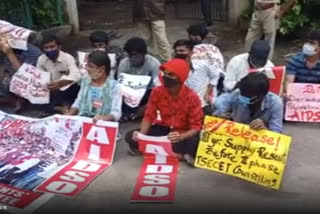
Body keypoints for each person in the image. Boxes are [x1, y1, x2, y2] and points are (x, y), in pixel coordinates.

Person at [125, 59, 204, 165]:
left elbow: (195, 127)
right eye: (165, 73)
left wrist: (181, 136)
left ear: (181, 77)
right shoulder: (157, 91)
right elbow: (148, 116)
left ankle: (156, 150)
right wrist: (141, 136)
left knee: (195, 144)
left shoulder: (192, 97)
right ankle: (179, 155)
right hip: (163, 130)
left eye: (171, 74)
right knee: (130, 136)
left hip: (183, 133)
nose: (166, 77)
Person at [214, 72, 283, 133]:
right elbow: (220, 109)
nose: (243, 99)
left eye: (248, 97)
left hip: (259, 140)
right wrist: (220, 116)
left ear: (262, 96)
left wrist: (264, 129)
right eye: (242, 95)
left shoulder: (275, 103)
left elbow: (276, 132)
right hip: (236, 134)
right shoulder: (236, 94)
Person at [66, 51, 122, 122]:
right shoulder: (85, 80)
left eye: (90, 66)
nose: (87, 69)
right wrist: (70, 113)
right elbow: (78, 102)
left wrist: (103, 118)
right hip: (82, 122)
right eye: (87, 65)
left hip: (103, 126)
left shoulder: (114, 86)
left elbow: (116, 113)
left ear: (102, 70)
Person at [36, 33, 81, 114]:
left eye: (52, 47)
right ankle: (60, 108)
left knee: (76, 91)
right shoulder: (41, 60)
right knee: (34, 100)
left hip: (66, 89)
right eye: (46, 48)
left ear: (59, 47)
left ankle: (62, 106)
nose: (49, 50)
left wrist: (60, 83)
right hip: (50, 90)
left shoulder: (68, 58)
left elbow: (76, 75)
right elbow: (38, 77)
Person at [172, 39, 220, 115]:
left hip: (201, 105)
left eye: (181, 51)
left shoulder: (203, 65)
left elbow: (215, 76)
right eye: (176, 51)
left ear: (191, 52)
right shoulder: (171, 69)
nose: (178, 54)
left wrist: (207, 92)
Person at [118, 37, 161, 121]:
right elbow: (119, 86)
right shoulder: (124, 63)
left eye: (136, 55)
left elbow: (159, 88)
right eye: (130, 55)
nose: (133, 58)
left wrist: (147, 106)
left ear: (143, 54)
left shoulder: (153, 63)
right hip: (129, 91)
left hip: (148, 92)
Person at [186, 24, 225, 109]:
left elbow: (216, 69)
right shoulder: (213, 48)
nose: (193, 39)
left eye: (195, 38)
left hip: (209, 80)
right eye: (191, 37)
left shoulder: (211, 49)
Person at [0, 36, 42, 111]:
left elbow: (24, 76)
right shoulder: (2, 49)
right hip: (9, 80)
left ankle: (15, 101)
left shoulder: (33, 52)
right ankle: (10, 100)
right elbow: (2, 70)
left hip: (29, 83)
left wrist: (9, 53)